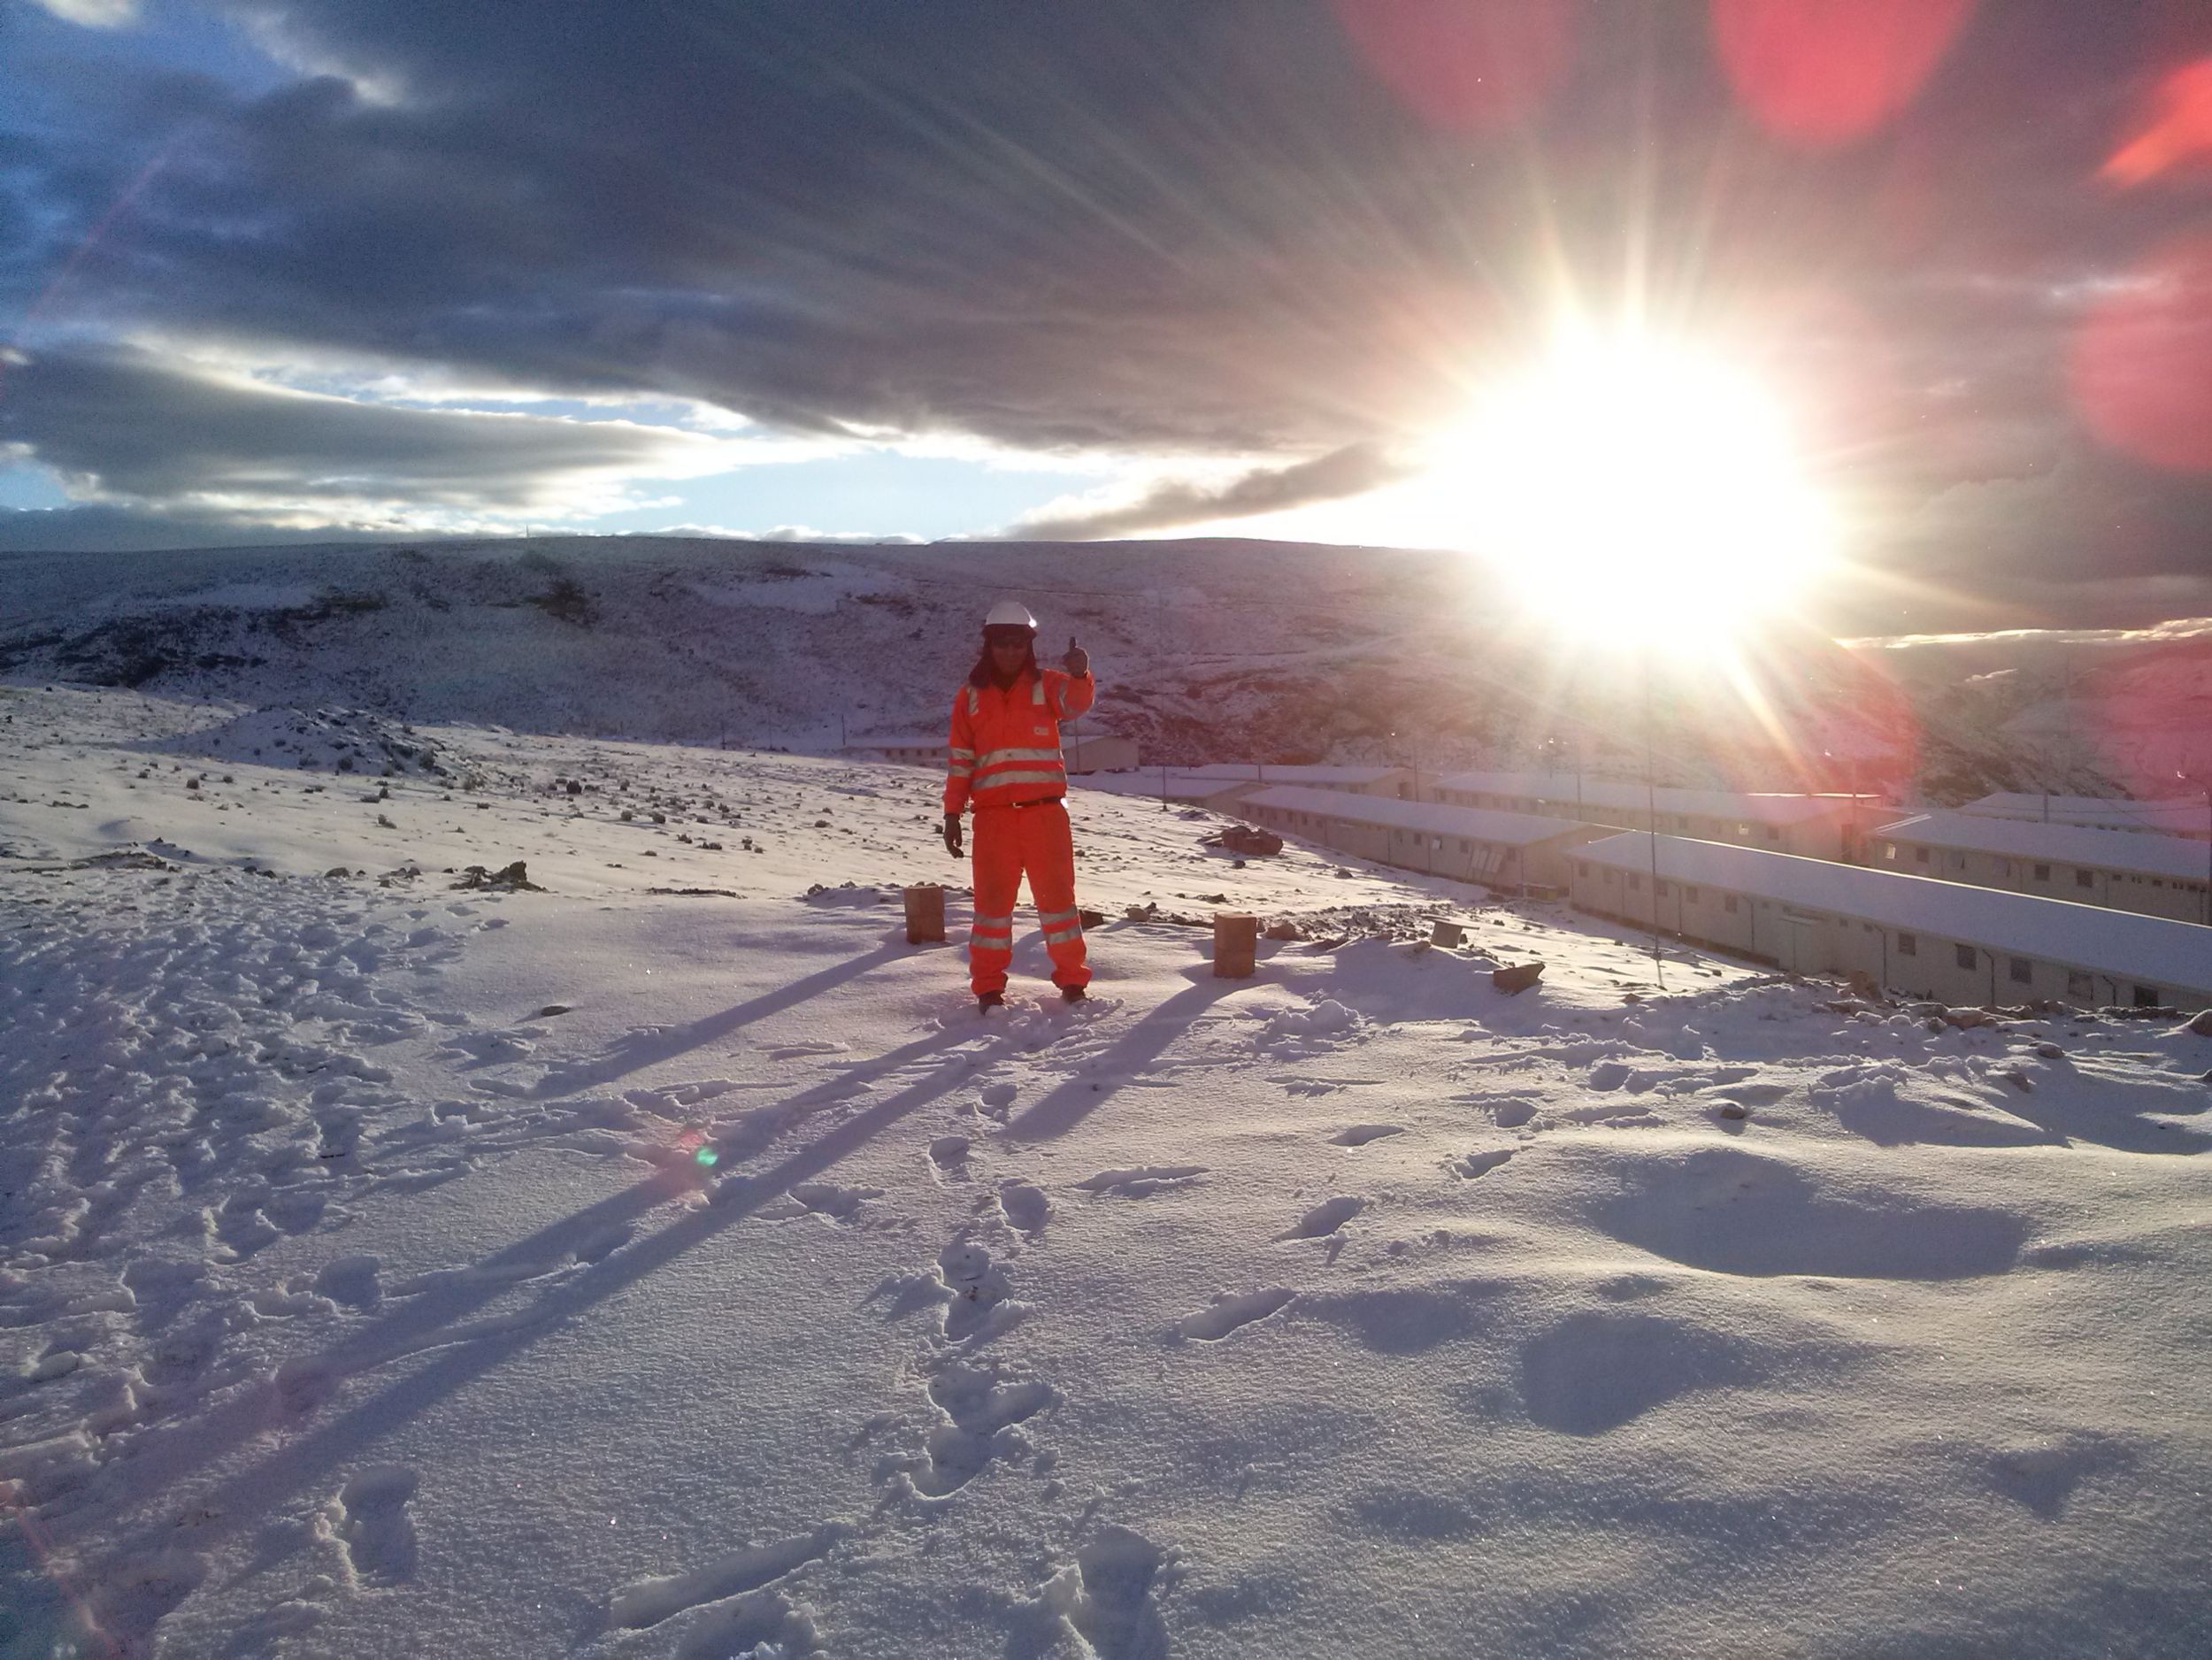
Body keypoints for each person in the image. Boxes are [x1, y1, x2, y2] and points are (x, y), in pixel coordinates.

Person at [941, 600, 1095, 1010]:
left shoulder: (1049, 685)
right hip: (993, 821)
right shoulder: (969, 697)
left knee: (1059, 904)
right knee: (991, 910)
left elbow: (1077, 703)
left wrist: (1081, 673)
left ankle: (1072, 981)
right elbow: (961, 761)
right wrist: (952, 813)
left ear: (1028, 647)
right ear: (988, 646)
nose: (1010, 652)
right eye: (1002, 644)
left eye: (1017, 644)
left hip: (1045, 815)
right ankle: (988, 987)